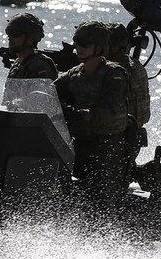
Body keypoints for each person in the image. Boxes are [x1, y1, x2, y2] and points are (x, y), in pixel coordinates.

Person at [53, 22, 129, 206]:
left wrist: (79, 114)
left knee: (97, 204)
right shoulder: (75, 72)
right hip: (77, 144)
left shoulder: (114, 75)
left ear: (99, 48)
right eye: (77, 43)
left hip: (105, 150)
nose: (79, 48)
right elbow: (51, 90)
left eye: (85, 44)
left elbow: (110, 112)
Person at [105, 22, 151, 188]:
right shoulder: (132, 65)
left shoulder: (118, 71)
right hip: (129, 137)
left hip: (119, 139)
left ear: (114, 46)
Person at [3, 13, 57, 80]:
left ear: (30, 40)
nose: (10, 38)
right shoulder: (17, 64)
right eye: (8, 33)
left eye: (15, 34)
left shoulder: (39, 65)